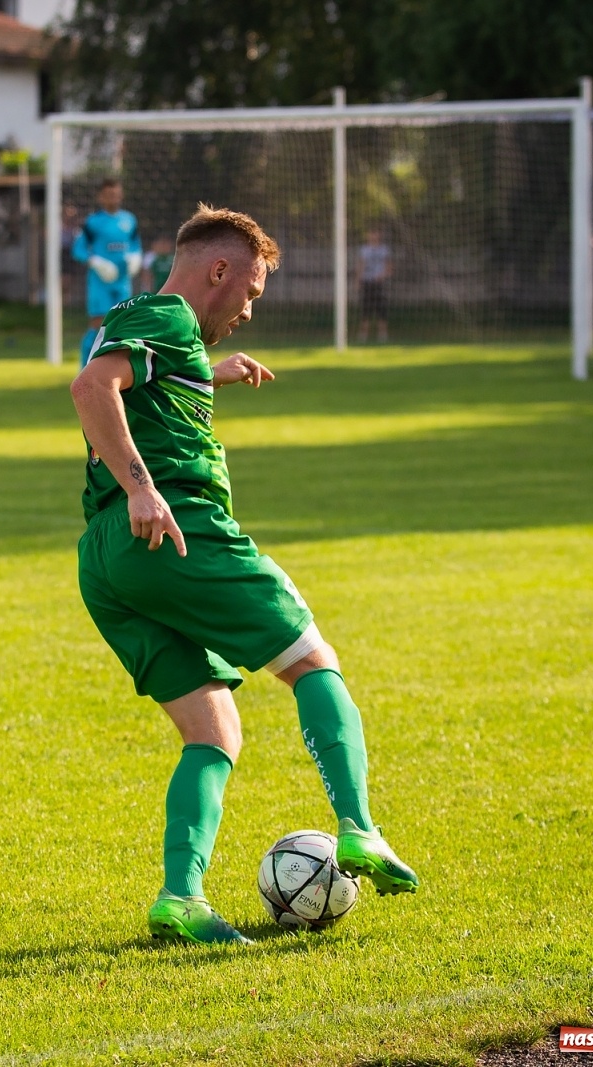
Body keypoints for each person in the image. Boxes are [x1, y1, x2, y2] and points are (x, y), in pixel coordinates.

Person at [69, 203, 418, 945]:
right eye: (251, 292)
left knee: (214, 727)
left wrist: (209, 373)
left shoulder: (150, 324)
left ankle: (180, 896)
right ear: (218, 271)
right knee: (313, 660)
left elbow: (135, 379)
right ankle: (358, 826)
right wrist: (143, 485)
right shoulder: (164, 317)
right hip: (175, 534)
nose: (251, 309)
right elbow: (93, 389)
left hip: (107, 559)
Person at [72, 178, 141, 364]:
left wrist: (135, 258)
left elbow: (135, 246)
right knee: (99, 324)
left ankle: (116, 370)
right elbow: (78, 249)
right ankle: (85, 367)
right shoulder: (93, 222)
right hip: (100, 282)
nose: (113, 198)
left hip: (122, 282)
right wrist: (95, 261)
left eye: (116, 194)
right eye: (109, 195)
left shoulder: (129, 220)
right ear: (101, 197)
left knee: (123, 326)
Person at [357, 229, 392, 343]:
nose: (373, 235)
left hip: (379, 283)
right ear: (367, 235)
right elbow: (360, 265)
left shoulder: (384, 249)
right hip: (367, 282)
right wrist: (358, 280)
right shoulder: (364, 250)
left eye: (375, 232)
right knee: (366, 309)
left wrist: (383, 275)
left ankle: (382, 335)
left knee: (381, 309)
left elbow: (389, 267)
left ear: (379, 234)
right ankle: (364, 335)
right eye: (371, 233)